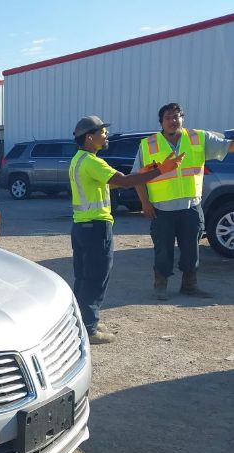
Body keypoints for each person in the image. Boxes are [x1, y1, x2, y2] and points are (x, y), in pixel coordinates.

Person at [69, 115, 183, 344]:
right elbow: (125, 181)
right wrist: (162, 170)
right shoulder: (92, 162)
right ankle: (90, 328)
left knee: (84, 277)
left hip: (82, 227)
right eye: (102, 131)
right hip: (96, 228)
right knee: (96, 277)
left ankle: (84, 320)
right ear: (89, 137)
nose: (106, 135)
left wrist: (146, 172)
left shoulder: (80, 160)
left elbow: (117, 179)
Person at [133, 103, 234, 300]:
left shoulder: (198, 138)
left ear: (183, 118)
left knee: (191, 249)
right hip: (162, 209)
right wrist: (144, 203)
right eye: (168, 117)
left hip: (191, 207)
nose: (173, 120)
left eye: (177, 116)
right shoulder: (148, 144)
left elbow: (228, 146)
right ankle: (160, 285)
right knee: (163, 249)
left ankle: (189, 285)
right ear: (161, 122)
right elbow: (138, 177)